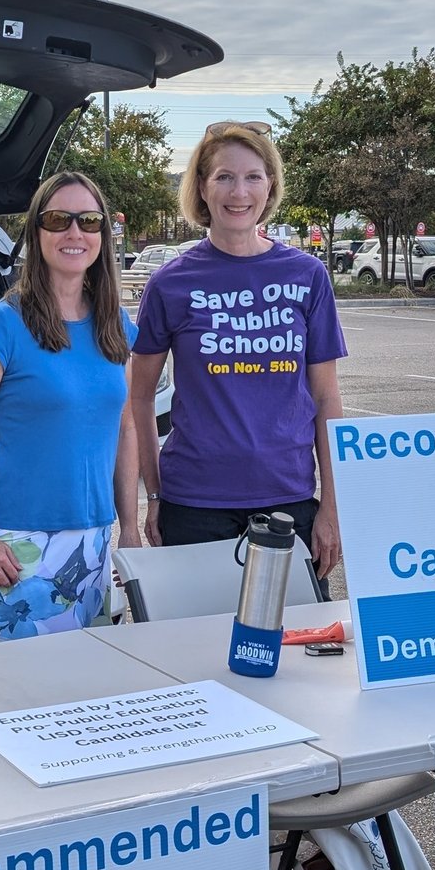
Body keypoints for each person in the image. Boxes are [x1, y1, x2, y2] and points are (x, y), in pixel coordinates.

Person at [126, 121, 347, 580]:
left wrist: (332, 505)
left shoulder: (307, 275)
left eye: (252, 177)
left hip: (289, 500)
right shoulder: (170, 283)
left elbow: (326, 398)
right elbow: (140, 396)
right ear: (202, 188)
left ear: (270, 186)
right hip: (194, 505)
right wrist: (154, 494)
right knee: (196, 628)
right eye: (224, 176)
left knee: (293, 628)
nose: (239, 192)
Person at [0, 172, 140, 647]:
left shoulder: (114, 324)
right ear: (36, 232)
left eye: (89, 220)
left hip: (93, 545)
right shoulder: (1, 327)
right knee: (11, 686)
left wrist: (129, 530)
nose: (75, 232)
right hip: (17, 549)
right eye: (58, 219)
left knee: (84, 683)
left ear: (104, 234)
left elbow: (126, 427)